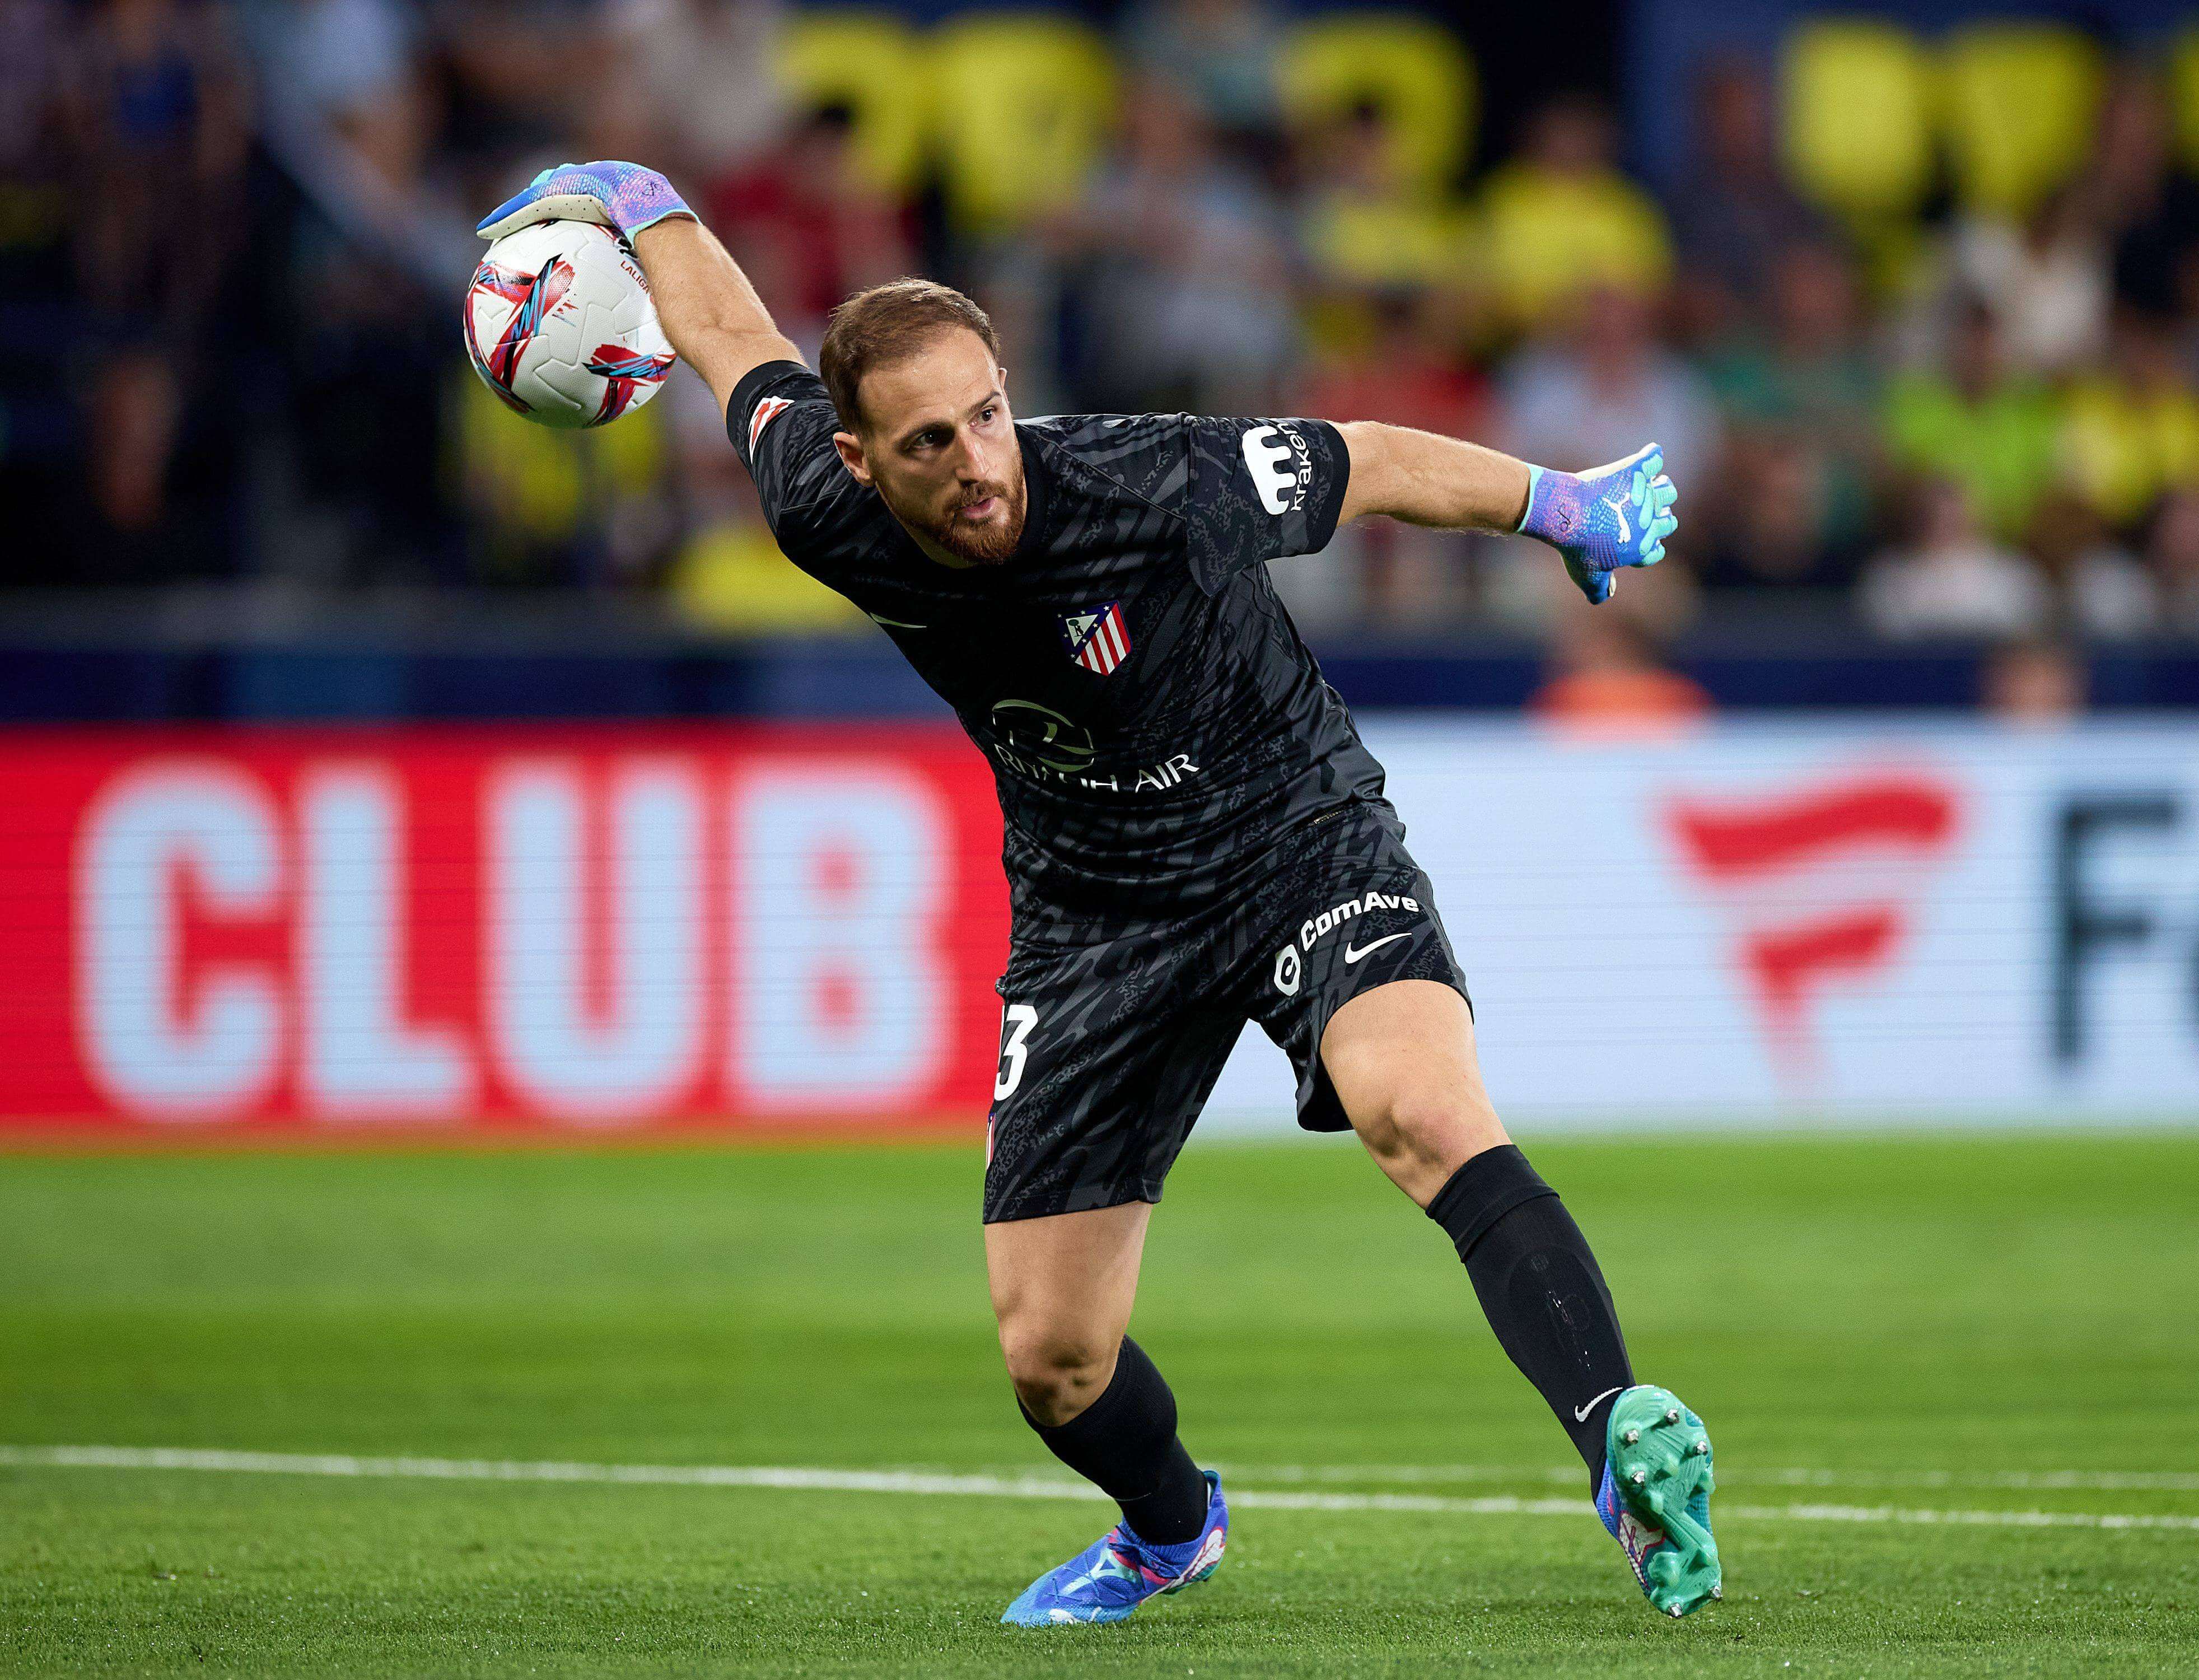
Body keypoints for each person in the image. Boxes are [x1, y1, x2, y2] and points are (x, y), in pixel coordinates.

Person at [475, 161, 1721, 1626]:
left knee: (1424, 1110)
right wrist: (637, 200)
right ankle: (1169, 1528)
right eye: (930, 440)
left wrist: (1558, 505)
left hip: (1293, 835)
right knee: (1049, 1358)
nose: (980, 461)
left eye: (988, 414)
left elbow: (1364, 457)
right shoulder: (817, 503)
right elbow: (729, 339)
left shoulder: (1138, 479)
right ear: (861, 461)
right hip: (1092, 913)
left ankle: (1618, 1444)